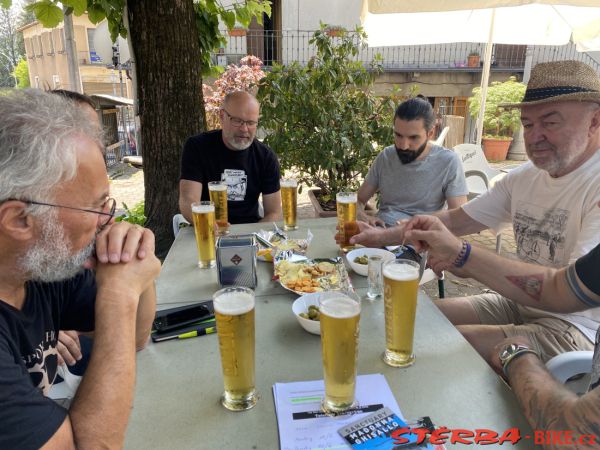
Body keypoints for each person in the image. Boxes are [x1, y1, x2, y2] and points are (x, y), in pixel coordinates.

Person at [350, 60, 600, 365]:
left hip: (577, 330)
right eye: (528, 124)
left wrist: (463, 256)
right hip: (517, 303)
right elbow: (457, 219)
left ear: (594, 121)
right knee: (409, 317)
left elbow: (567, 292)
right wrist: (380, 237)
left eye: (550, 122)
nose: (534, 137)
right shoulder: (524, 177)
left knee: (439, 348)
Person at [0, 89, 161, 449]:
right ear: (19, 219)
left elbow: (135, 337)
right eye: (96, 207)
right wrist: (119, 295)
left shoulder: (36, 267)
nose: (109, 219)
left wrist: (132, 262)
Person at [402, 214, 600, 446]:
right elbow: (555, 287)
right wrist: (460, 254)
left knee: (450, 347)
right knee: (426, 323)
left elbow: (572, 436)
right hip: (524, 307)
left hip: (569, 333)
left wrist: (516, 356)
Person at [357, 96, 467, 227]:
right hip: (382, 232)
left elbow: (459, 217)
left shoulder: (448, 162)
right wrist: (364, 217)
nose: (403, 145)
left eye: (413, 138)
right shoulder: (386, 156)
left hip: (422, 238)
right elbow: (358, 200)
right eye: (398, 135)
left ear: (430, 133)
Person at [179, 91, 282, 224]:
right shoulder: (197, 147)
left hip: (249, 232)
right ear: (222, 116)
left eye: (251, 123)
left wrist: (255, 235)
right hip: (207, 230)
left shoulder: (265, 156)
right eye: (237, 121)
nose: (244, 129)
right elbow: (188, 200)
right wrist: (207, 224)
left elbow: (273, 212)